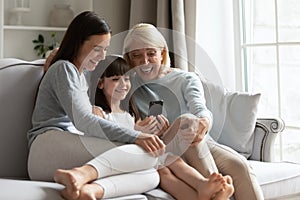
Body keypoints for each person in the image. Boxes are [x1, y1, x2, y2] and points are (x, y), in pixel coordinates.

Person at [27, 11, 166, 200]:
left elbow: (117, 69)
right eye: (97, 49)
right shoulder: (64, 68)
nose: (102, 56)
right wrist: (136, 136)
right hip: (46, 147)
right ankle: (83, 174)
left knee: (152, 175)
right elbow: (84, 121)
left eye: (105, 49)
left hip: (65, 145)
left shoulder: (84, 72)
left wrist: (163, 69)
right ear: (78, 43)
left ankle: (91, 190)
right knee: (146, 155)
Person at [122, 23, 264, 200]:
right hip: (166, 149)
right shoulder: (125, 84)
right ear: (128, 59)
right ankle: (216, 191)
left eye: (151, 53)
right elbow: (115, 119)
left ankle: (214, 189)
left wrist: (203, 122)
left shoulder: (185, 79)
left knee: (239, 166)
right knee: (187, 123)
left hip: (198, 141)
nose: (144, 62)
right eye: (137, 56)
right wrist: (136, 128)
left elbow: (200, 109)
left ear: (162, 54)